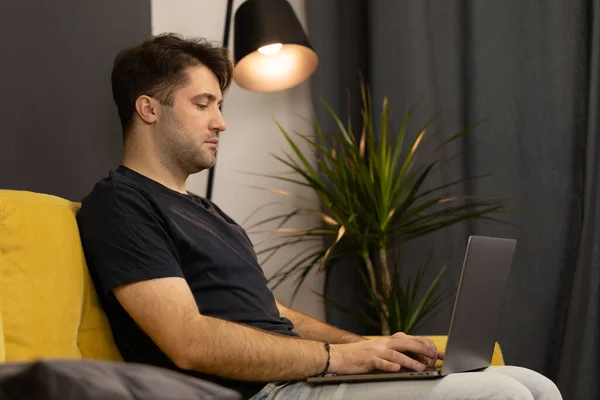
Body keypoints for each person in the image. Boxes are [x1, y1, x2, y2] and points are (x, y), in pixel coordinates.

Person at [76, 33, 562, 400]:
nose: (220, 122)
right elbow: (188, 341)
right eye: (203, 104)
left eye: (220, 106)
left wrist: (373, 347)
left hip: (298, 379)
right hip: (261, 393)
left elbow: (274, 314)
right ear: (148, 109)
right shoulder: (122, 204)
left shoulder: (210, 214)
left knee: (532, 383)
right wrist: (338, 358)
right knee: (502, 394)